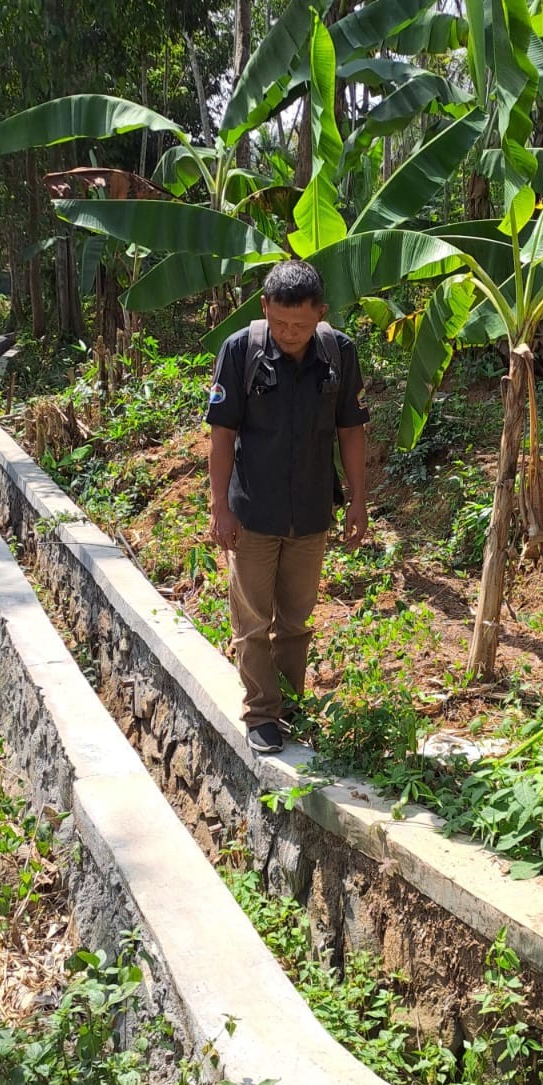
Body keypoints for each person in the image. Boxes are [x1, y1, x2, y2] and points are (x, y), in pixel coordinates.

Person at [205, 260, 369, 755]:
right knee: (253, 619)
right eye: (280, 324)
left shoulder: (339, 354)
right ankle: (261, 714)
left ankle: (289, 704)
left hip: (312, 511)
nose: (290, 334)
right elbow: (222, 432)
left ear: (321, 312)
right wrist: (219, 505)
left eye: (301, 324)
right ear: (265, 310)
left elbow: (351, 431)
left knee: (296, 619)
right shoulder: (240, 351)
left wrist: (359, 498)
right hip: (252, 512)